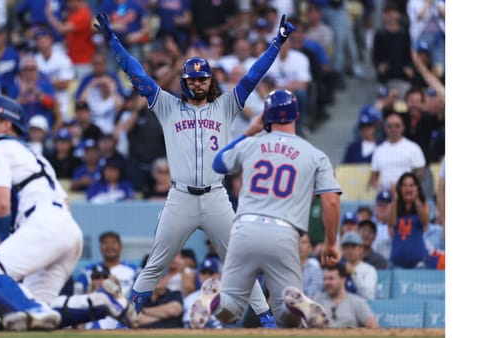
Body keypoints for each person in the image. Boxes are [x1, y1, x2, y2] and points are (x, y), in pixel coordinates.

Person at [95, 12, 298, 327]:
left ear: (210, 80)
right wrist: (112, 40)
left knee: (239, 260)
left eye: (203, 78)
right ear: (184, 81)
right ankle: (127, 320)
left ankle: (266, 319)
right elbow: (134, 72)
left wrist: (277, 42)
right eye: (193, 78)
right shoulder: (166, 106)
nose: (198, 82)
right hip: (181, 198)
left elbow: (253, 76)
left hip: (216, 196)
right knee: (156, 265)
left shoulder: (225, 106)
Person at [0, 95, 137, 331]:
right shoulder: (38, 159)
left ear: (5, 125)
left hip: (42, 223)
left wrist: (6, 242)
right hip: (67, 230)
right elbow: (66, 203)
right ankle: (101, 302)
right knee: (39, 311)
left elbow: (1, 204)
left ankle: (33, 310)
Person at [190, 89, 342, 329]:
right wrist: (331, 241)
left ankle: (214, 297)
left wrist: (250, 131)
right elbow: (331, 201)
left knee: (229, 311)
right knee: (285, 316)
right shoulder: (315, 155)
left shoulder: (252, 144)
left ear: (266, 117)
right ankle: (295, 303)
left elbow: (218, 163)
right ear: (297, 115)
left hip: (244, 229)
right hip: (284, 232)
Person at [75, 231, 138, 329]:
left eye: (113, 243)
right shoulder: (87, 271)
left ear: (120, 247)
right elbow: (77, 297)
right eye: (105, 243)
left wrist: (117, 289)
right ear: (100, 248)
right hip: (95, 317)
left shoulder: (134, 270)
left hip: (124, 315)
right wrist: (94, 289)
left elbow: (141, 296)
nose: (109, 246)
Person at [369, 112, 426, 192]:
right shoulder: (378, 150)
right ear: (385, 128)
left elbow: (420, 174)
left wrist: (405, 187)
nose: (393, 129)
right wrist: (382, 189)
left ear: (403, 127)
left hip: (408, 195)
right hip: (386, 197)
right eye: (389, 126)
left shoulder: (413, 148)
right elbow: (373, 179)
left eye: (397, 126)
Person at [314, 264, 379, 328]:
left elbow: (374, 326)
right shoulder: (317, 300)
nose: (326, 282)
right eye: (324, 279)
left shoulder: (357, 302)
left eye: (331, 279)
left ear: (343, 280)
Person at [388, 172, 430, 268]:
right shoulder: (393, 205)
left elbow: (425, 222)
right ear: (400, 188)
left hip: (419, 261)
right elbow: (391, 223)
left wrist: (416, 200)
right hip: (397, 262)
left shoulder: (423, 204)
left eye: (411, 185)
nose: (408, 189)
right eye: (405, 186)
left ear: (417, 188)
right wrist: (395, 200)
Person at [182, 258, 225, 329]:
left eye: (211, 273)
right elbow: (188, 326)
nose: (207, 276)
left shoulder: (226, 298)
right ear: (199, 276)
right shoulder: (189, 299)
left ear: (219, 275)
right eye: (203, 273)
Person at [339, 231, 377, 300]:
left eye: (353, 247)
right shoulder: (337, 267)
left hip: (359, 307)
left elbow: (369, 296)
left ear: (361, 249)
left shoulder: (369, 270)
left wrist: (354, 274)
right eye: (346, 247)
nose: (349, 251)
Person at [300, 233, 323, 298]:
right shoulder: (288, 264)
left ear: (310, 247)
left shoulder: (314, 266)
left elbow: (315, 294)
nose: (300, 245)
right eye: (297, 242)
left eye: (303, 242)